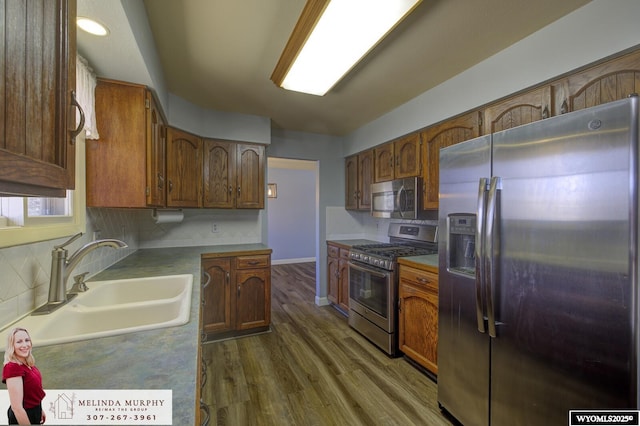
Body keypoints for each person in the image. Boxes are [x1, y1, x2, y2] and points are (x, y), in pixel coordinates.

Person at [3, 328, 45, 425]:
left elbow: (32, 393)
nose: (25, 345)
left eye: (27, 340)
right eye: (19, 342)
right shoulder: (12, 367)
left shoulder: (26, 362)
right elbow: (17, 408)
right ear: (12, 346)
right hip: (23, 416)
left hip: (35, 411)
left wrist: (40, 410)